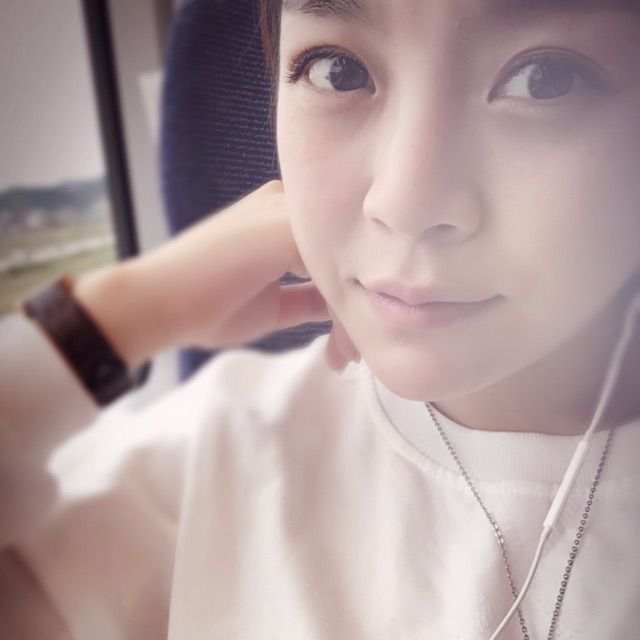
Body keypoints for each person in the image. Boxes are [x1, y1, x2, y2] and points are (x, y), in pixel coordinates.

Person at [1, 0, 639, 638]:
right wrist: (123, 310)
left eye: (545, 80)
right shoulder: (213, 465)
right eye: (338, 70)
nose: (403, 202)